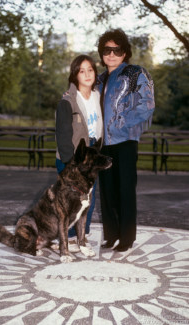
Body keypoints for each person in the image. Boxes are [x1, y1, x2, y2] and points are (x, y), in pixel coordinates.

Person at [97, 28, 155, 252]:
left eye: (117, 50)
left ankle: (127, 238)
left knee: (125, 191)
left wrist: (122, 124)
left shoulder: (135, 73)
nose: (111, 54)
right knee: (108, 191)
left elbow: (147, 105)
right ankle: (111, 235)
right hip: (104, 145)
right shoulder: (100, 78)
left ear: (125, 52)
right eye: (107, 50)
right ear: (102, 53)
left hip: (126, 142)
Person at [55, 54, 103, 252]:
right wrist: (69, 163)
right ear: (75, 75)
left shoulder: (99, 96)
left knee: (88, 199)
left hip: (91, 154)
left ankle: (83, 235)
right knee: (70, 200)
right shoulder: (68, 100)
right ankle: (71, 237)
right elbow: (63, 133)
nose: (87, 74)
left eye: (90, 70)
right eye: (81, 71)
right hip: (73, 156)